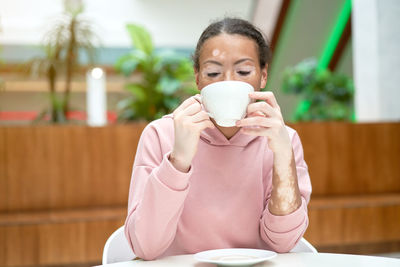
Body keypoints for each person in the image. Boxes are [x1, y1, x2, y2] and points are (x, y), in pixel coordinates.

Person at [124, 17, 312, 260]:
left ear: (263, 76)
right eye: (213, 72)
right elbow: (146, 247)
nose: (228, 83)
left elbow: (283, 243)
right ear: (198, 78)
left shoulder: (283, 139)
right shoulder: (160, 135)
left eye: (243, 71)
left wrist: (283, 156)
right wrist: (178, 159)